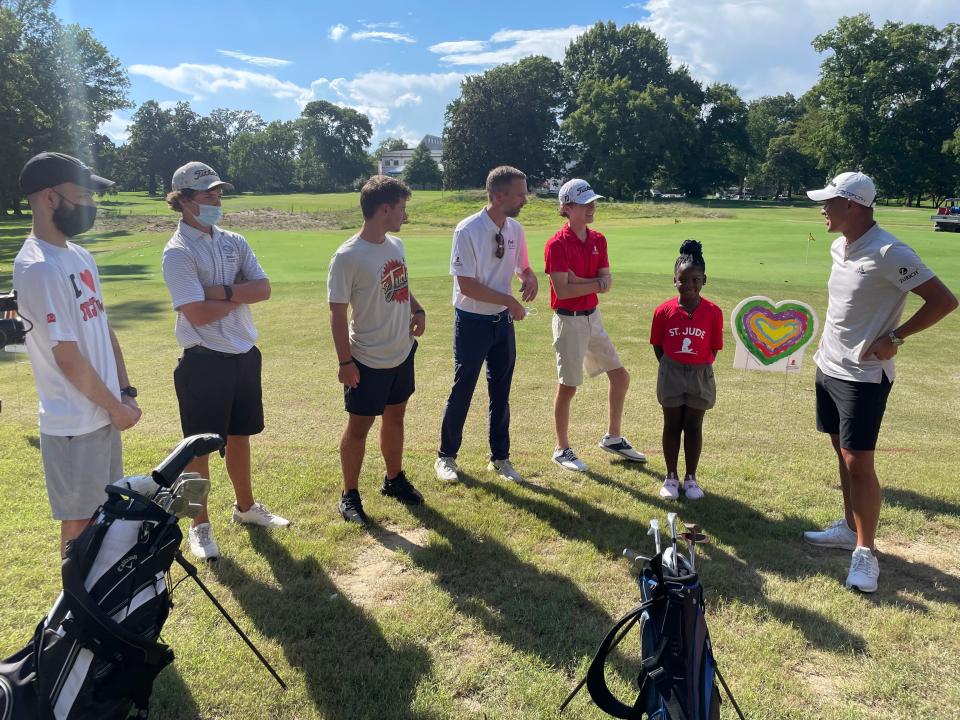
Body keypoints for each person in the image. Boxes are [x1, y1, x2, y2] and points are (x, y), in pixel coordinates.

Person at [803, 171, 957, 593]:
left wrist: (895, 337)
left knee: (858, 461)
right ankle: (849, 526)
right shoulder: (839, 246)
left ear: (852, 205)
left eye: (829, 202)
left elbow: (944, 301)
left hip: (864, 375)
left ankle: (865, 553)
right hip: (829, 365)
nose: (823, 209)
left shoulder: (890, 251)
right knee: (840, 450)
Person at [13, 152, 141, 556]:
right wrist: (115, 407)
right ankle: (74, 610)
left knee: (104, 512)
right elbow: (66, 356)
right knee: (79, 519)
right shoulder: (38, 267)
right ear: (50, 198)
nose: (91, 204)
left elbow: (102, 326)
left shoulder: (79, 256)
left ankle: (99, 597)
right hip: (73, 422)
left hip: (102, 412)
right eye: (83, 194)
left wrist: (126, 391)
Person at [162, 161, 289, 562]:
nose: (217, 199)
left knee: (240, 435)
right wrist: (237, 293)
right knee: (198, 450)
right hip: (202, 361)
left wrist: (216, 291)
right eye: (207, 194)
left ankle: (246, 507)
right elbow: (195, 315)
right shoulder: (177, 251)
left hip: (243, 355)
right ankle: (198, 526)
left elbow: (264, 288)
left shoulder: (234, 240)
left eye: (218, 192)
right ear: (183, 201)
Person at [327, 176, 426, 526]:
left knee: (395, 416)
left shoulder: (395, 244)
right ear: (384, 209)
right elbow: (337, 313)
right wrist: (344, 361)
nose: (405, 214)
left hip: (401, 351)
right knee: (359, 426)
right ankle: (349, 494)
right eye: (402, 207)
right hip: (366, 360)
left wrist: (417, 309)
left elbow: (402, 283)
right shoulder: (347, 257)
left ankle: (393, 479)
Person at [434, 166, 538, 484]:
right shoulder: (467, 230)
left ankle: (500, 458)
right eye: (520, 194)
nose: (525, 199)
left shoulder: (514, 229)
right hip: (472, 322)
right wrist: (510, 301)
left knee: (501, 393)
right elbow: (466, 286)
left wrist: (529, 276)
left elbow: (521, 265)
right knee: (462, 389)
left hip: (501, 325)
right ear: (498, 195)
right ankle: (446, 458)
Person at [544, 179, 646, 472]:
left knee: (621, 377)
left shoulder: (598, 240)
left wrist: (580, 282)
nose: (591, 207)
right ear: (566, 207)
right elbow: (562, 291)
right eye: (584, 203)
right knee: (568, 386)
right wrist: (589, 284)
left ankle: (613, 438)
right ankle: (561, 449)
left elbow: (607, 283)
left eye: (592, 202)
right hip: (568, 320)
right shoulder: (556, 245)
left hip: (592, 317)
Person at [649, 240, 723, 501]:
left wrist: (697, 365)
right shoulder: (663, 311)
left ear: (704, 280)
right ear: (674, 280)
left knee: (693, 426)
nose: (689, 285)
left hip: (700, 373)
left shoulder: (713, 312)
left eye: (696, 279)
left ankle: (691, 478)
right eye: (684, 280)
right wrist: (672, 365)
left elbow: (714, 347)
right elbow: (658, 345)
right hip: (671, 372)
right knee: (671, 425)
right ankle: (670, 476)